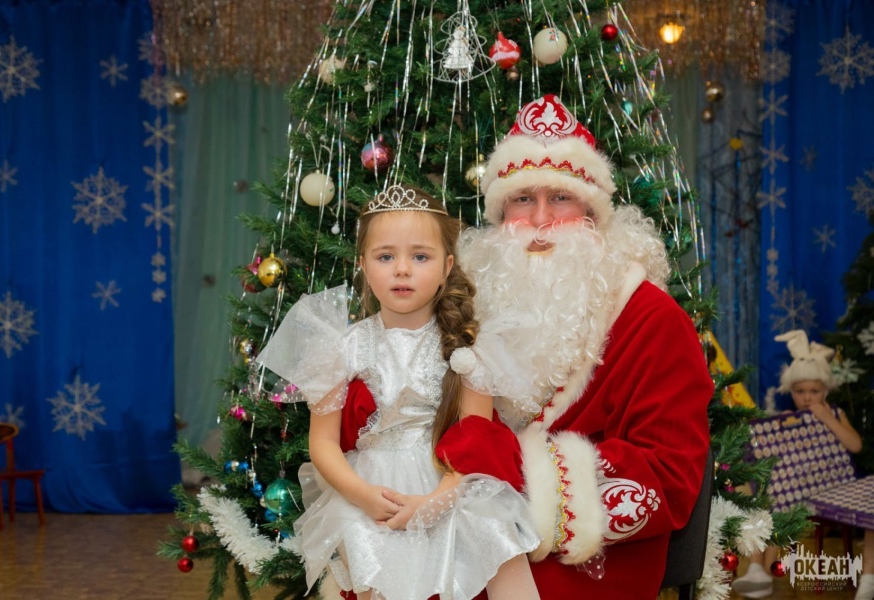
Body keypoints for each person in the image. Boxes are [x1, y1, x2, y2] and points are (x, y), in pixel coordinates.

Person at [443, 94, 714, 599]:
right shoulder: (470, 306)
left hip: (589, 560)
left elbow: (670, 474)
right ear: (500, 214)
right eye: (523, 199)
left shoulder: (652, 320)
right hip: (472, 531)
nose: (541, 218)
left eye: (561, 198)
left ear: (592, 212)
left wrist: (517, 477)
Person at [256, 184, 540, 600]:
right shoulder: (339, 347)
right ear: (363, 265)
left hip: (448, 483)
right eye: (385, 256)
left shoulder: (469, 348)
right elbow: (323, 444)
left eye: (420, 257)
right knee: (376, 563)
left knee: (492, 533)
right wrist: (363, 496)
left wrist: (433, 503)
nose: (402, 269)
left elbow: (476, 443)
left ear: (446, 267)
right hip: (369, 490)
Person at [732, 330, 865, 599]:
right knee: (767, 499)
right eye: (800, 391)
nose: (807, 398)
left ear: (826, 390)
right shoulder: (790, 419)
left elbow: (855, 446)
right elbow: (776, 459)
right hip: (793, 488)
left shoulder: (835, 413)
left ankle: (763, 573)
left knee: (778, 502)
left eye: (814, 391)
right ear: (791, 392)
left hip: (827, 486)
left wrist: (827, 419)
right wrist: (783, 430)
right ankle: (757, 569)